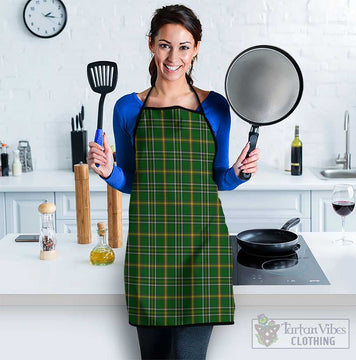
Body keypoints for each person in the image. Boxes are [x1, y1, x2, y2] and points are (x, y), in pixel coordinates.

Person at [88, 4, 260, 359]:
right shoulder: (127, 108)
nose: (173, 56)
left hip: (204, 248)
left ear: (196, 49)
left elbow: (218, 180)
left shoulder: (215, 106)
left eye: (184, 46)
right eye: (165, 45)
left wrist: (239, 173)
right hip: (151, 249)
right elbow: (133, 180)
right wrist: (108, 171)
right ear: (151, 45)